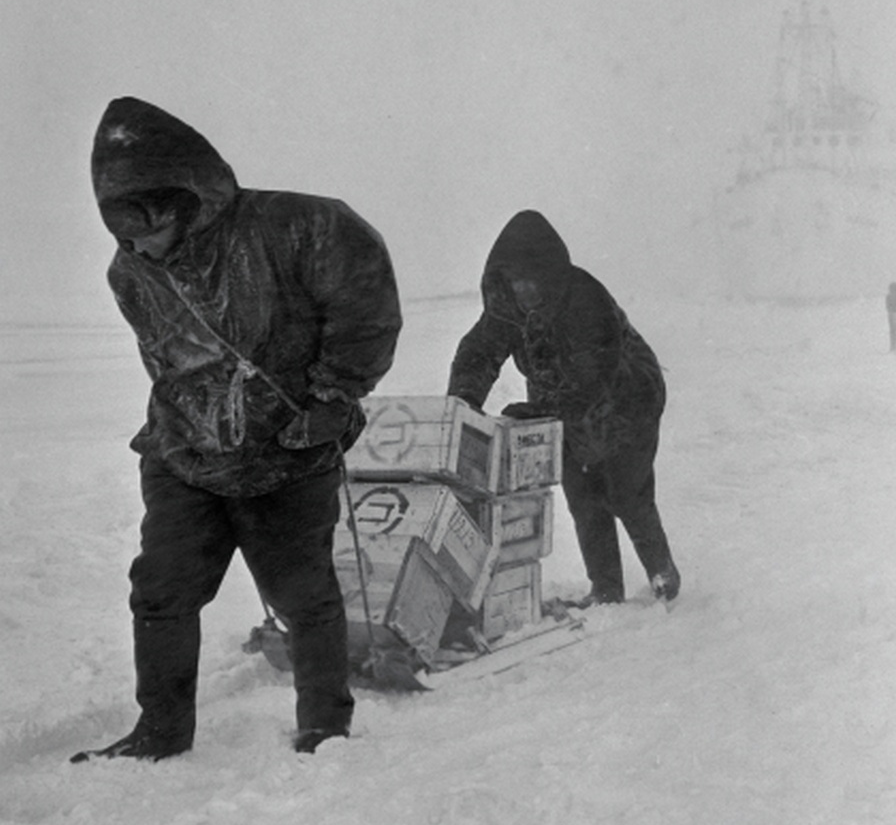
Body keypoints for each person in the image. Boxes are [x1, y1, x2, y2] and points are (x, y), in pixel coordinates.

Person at [73, 97, 402, 763]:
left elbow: (366, 312)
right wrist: (182, 430)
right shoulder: (128, 271)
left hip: (287, 449)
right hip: (184, 451)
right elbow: (168, 360)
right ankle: (160, 731)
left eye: (140, 221)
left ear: (180, 196)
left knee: (303, 597)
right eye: (118, 226)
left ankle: (325, 728)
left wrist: (333, 398)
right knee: (160, 592)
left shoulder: (303, 225)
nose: (132, 242)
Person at [447, 210, 679, 606]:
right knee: (584, 496)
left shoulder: (585, 298)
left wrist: (542, 410)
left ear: (549, 274)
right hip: (560, 405)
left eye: (530, 279)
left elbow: (594, 375)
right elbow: (479, 353)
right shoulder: (508, 311)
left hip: (627, 399)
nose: (523, 289)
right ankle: (606, 588)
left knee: (627, 492)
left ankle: (662, 573)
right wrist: (463, 402)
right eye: (515, 281)